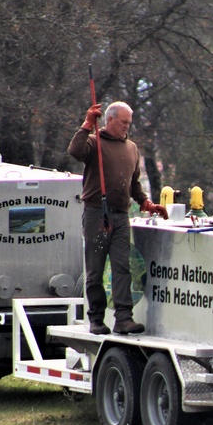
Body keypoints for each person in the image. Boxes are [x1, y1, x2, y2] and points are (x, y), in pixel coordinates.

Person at [68, 101, 167, 335]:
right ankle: (96, 319)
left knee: (122, 267)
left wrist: (146, 202)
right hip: (97, 215)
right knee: (96, 269)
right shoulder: (94, 143)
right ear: (109, 120)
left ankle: (123, 319)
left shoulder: (132, 148)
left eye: (129, 123)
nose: (126, 127)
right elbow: (75, 151)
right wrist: (86, 125)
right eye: (123, 122)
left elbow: (133, 184)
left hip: (121, 217)